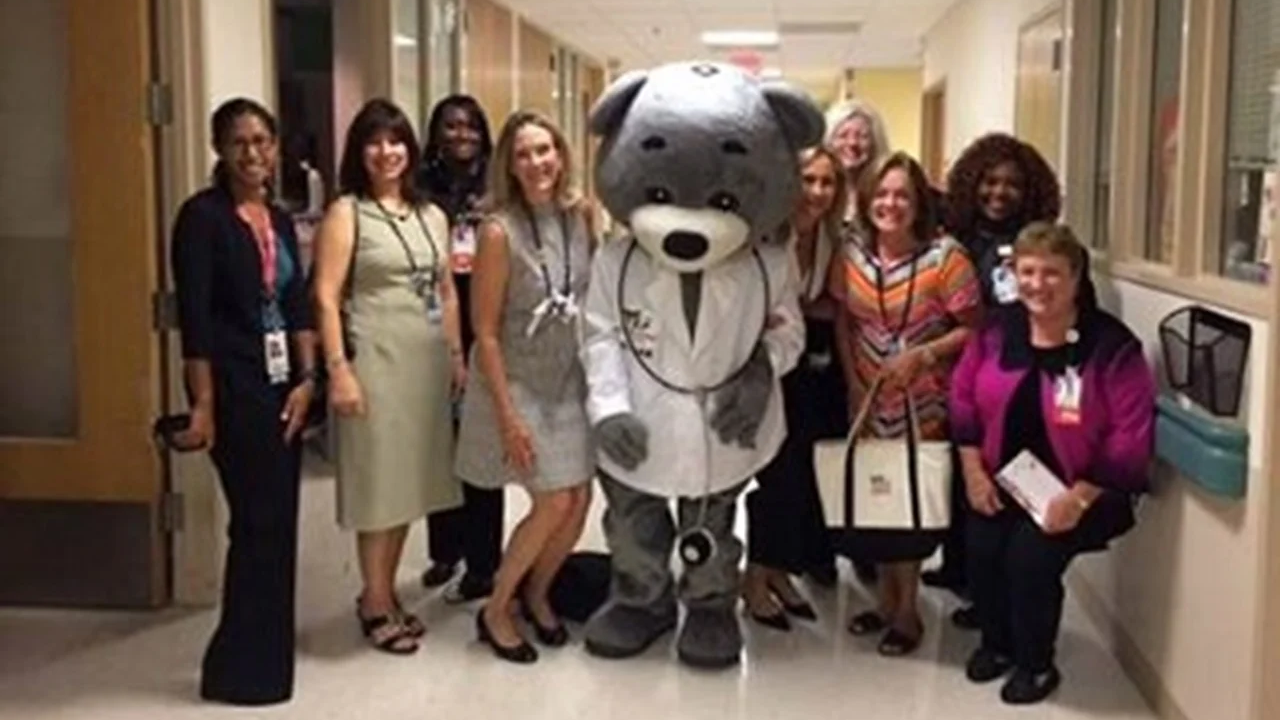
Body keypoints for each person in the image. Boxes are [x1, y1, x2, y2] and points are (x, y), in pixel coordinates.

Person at [949, 222, 1154, 705]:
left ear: (1077, 276)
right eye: (1028, 271)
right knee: (979, 548)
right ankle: (996, 645)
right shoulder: (999, 332)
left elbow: (1130, 435)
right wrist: (974, 473)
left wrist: (1077, 498)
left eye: (1053, 273)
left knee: (1029, 559)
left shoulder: (1110, 346)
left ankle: (1035, 664)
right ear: (1013, 274)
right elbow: (961, 399)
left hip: (1083, 489)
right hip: (1000, 477)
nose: (1038, 284)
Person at [171, 98, 316, 705]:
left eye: (262, 140)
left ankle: (263, 664)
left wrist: (309, 381)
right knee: (255, 525)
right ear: (219, 150)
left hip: (284, 385)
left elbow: (297, 302)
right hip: (232, 386)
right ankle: (236, 667)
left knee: (279, 525)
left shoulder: (279, 219)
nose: (252, 153)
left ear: (277, 146)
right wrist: (203, 406)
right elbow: (196, 320)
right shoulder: (202, 218)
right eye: (239, 142)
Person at [313, 98, 466, 655]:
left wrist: (454, 356)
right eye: (374, 142)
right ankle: (375, 602)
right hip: (374, 364)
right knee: (379, 485)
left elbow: (446, 291)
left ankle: (382, 591)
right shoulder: (346, 212)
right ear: (359, 151)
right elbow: (326, 298)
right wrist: (339, 370)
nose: (387, 152)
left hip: (425, 366)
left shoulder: (430, 214)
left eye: (396, 140)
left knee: (410, 486)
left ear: (411, 148)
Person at [454, 111, 596, 664]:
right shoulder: (498, 231)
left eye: (545, 150)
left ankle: (537, 593)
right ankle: (496, 607)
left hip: (566, 378)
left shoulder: (579, 215)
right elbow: (484, 332)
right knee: (553, 498)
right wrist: (509, 418)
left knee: (579, 496)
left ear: (560, 155)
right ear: (508, 167)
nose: (537, 163)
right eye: (523, 155)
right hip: (514, 382)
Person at [828, 152, 980, 655]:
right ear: (867, 199)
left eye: (903, 195)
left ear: (919, 204)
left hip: (924, 398)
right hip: (868, 396)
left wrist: (923, 355)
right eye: (883, 194)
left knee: (913, 503)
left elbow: (974, 329)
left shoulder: (946, 258)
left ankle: (908, 610)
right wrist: (852, 381)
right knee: (879, 499)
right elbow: (844, 321)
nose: (890, 204)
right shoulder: (851, 252)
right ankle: (886, 602)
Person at [928, 132, 1063, 623]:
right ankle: (959, 569)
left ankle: (997, 601)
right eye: (989, 181)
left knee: (1003, 482)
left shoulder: (1038, 243)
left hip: (1015, 379)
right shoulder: (955, 236)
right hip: (959, 372)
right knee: (959, 471)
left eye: (1011, 184)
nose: (998, 192)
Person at [742, 146, 847, 629]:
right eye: (808, 180)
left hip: (809, 368)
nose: (817, 193)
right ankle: (754, 581)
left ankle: (780, 573)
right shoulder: (764, 234)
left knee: (800, 475)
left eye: (827, 183)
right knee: (775, 476)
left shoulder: (831, 236)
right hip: (761, 363)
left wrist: (805, 311)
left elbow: (823, 302)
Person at [415, 94, 504, 604]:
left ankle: (483, 561)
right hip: (434, 324)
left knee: (480, 444)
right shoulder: (421, 188)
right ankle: (444, 551)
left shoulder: (496, 187)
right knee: (440, 444)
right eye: (450, 126)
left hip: (485, 322)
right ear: (436, 133)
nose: (461, 134)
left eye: (471, 125)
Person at [825, 99, 891, 231]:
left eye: (862, 136)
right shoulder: (819, 189)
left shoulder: (886, 192)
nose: (852, 143)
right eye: (843, 136)